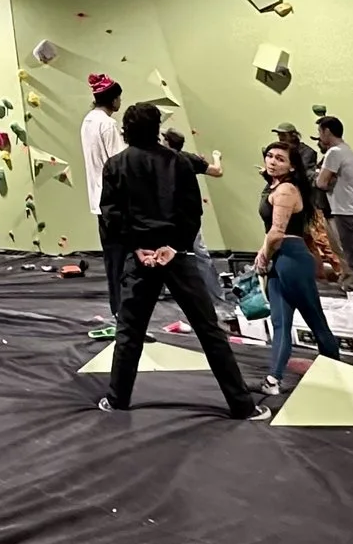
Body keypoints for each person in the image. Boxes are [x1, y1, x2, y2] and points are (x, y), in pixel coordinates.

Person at [99, 104, 262, 419]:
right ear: (156, 129)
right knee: (208, 330)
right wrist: (174, 247)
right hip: (178, 257)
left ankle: (117, 400)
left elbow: (111, 216)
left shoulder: (115, 166)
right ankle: (242, 405)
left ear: (126, 131)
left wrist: (137, 249)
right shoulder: (180, 164)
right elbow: (192, 213)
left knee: (130, 331)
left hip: (141, 259)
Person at [253, 141, 342, 399]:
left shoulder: (286, 190)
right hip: (279, 260)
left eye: (280, 158)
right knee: (280, 323)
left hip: (292, 258)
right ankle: (273, 378)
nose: (272, 161)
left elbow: (277, 233)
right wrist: (265, 255)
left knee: (315, 318)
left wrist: (263, 256)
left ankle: (335, 370)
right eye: (269, 156)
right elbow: (271, 231)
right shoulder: (274, 186)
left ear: (292, 165)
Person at [159, 128, 232, 313]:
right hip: (188, 218)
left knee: (160, 252)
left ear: (167, 142)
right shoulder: (189, 159)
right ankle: (217, 297)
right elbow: (217, 171)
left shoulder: (157, 160)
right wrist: (216, 157)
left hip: (167, 217)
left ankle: (157, 292)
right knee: (201, 256)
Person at [80, 76, 127, 321]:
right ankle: (124, 309)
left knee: (112, 259)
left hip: (99, 200)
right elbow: (118, 164)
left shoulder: (87, 121)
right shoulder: (107, 125)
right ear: (113, 99)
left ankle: (117, 307)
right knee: (124, 259)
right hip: (115, 202)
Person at [313, 114, 353, 292]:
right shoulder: (346, 150)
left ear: (327, 131)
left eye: (319, 132)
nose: (319, 137)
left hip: (346, 212)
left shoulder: (334, 153)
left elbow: (321, 183)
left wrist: (318, 176)